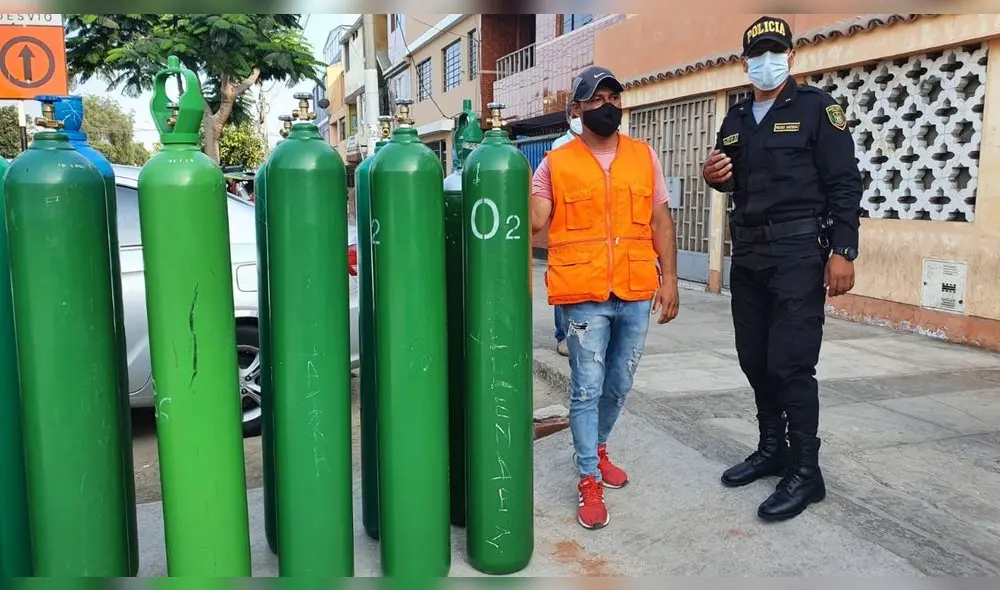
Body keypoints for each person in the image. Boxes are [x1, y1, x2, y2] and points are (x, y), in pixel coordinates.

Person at [701, 16, 862, 522]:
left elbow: (844, 183)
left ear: (790, 57)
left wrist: (843, 250)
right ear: (744, 60)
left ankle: (806, 471)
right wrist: (713, 177)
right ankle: (773, 449)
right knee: (754, 358)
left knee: (791, 364)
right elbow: (732, 180)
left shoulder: (818, 109)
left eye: (775, 51)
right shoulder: (736, 116)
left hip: (797, 255)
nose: (766, 61)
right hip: (747, 255)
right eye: (757, 53)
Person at [531, 65, 679, 530]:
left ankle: (598, 448)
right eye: (596, 99)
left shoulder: (643, 156)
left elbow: (660, 219)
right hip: (584, 293)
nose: (607, 106)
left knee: (620, 384)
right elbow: (536, 219)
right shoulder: (555, 163)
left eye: (614, 97)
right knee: (586, 388)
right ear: (576, 110)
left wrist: (670, 277)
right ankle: (589, 477)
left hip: (635, 288)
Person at [550, 111, 583, 357]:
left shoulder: (597, 145)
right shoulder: (559, 147)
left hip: (588, 228)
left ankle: (580, 335)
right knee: (563, 286)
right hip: (564, 226)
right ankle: (562, 336)